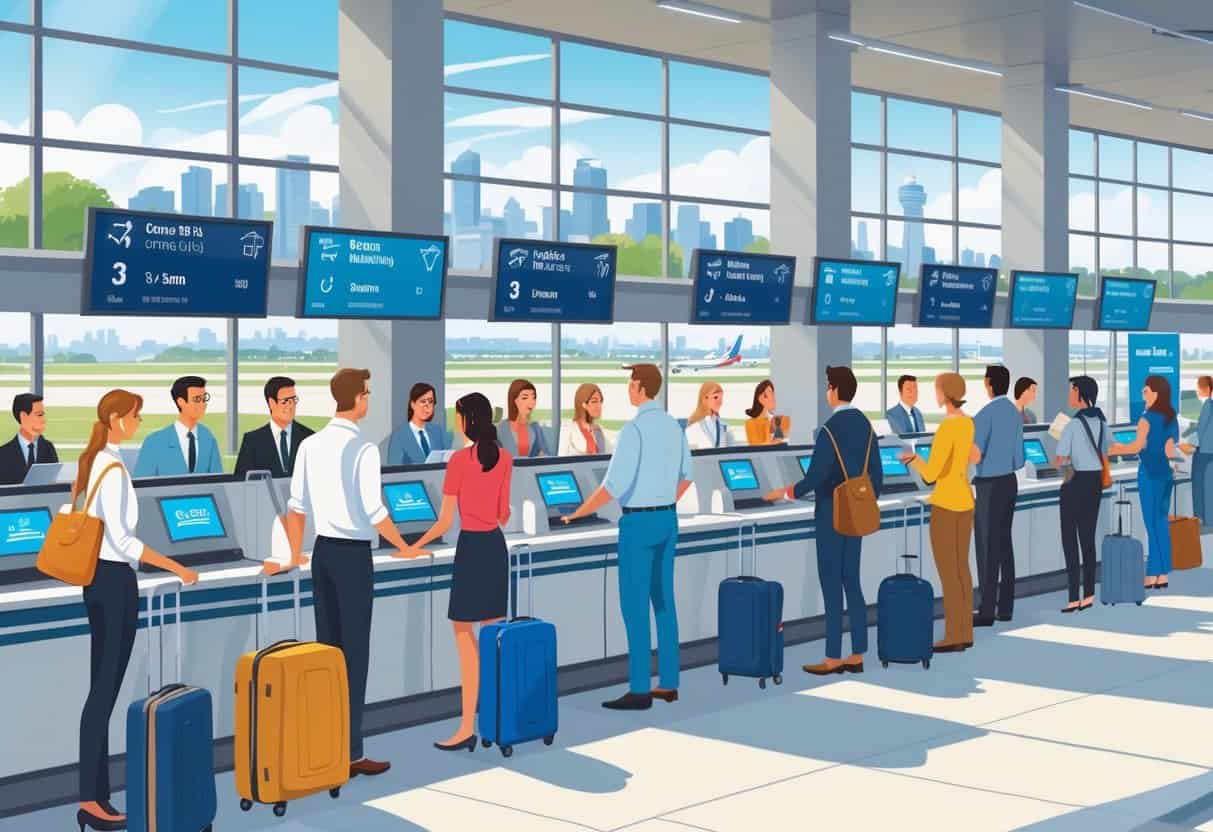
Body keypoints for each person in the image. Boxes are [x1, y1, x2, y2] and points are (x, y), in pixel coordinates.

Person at [74, 390, 197, 832]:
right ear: (115, 418)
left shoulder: (93, 463)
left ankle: (97, 794)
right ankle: (91, 798)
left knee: (99, 691)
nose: (139, 422)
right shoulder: (113, 469)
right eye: (134, 415)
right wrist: (175, 566)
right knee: (103, 693)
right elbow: (124, 541)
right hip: (114, 583)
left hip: (96, 581)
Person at [275, 368, 407, 778]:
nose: (368, 399)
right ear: (356, 399)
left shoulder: (310, 445)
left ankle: (326, 748)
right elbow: (375, 511)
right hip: (352, 559)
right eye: (366, 393)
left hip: (322, 554)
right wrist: (406, 547)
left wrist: (296, 553)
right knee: (354, 656)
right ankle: (350, 753)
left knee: (326, 653)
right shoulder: (364, 450)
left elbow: (296, 506)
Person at [560, 364, 691, 710]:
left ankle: (639, 689)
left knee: (634, 607)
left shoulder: (635, 430)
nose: (628, 390)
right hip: (667, 520)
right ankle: (669, 683)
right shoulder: (674, 427)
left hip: (638, 525)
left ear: (640, 387)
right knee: (664, 602)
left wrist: (577, 513)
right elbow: (687, 477)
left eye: (631, 384)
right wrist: (663, 500)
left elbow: (612, 487)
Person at [399, 393, 512, 752]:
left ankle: (467, 727)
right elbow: (503, 514)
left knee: (466, 641)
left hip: (472, 550)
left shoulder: (460, 462)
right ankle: (496, 721)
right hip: (495, 547)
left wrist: (412, 546)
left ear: (467, 421)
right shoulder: (504, 458)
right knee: (492, 638)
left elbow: (445, 520)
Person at [764, 366, 882, 675]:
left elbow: (815, 478)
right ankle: (857, 654)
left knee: (831, 584)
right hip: (856, 512)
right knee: (852, 582)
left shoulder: (829, 430)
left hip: (831, 512)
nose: (826, 392)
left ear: (835, 390)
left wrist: (786, 492)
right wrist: (862, 499)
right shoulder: (867, 427)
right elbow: (877, 477)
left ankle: (832, 657)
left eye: (828, 386)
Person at [901, 373, 978, 654]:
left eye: (936, 389)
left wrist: (913, 458)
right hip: (966, 501)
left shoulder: (946, 428)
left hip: (946, 504)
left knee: (948, 572)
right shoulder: (968, 423)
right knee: (962, 569)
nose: (934, 393)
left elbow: (933, 474)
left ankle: (952, 635)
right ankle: (965, 632)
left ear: (945, 393)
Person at [1109, 375, 1179, 590]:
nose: (1143, 394)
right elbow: (1169, 448)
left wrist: (1111, 448)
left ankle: (1151, 575)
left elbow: (1135, 447)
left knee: (1151, 525)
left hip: (1149, 475)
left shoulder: (1146, 419)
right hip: (1166, 474)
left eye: (1145, 391)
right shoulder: (1170, 417)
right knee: (1160, 524)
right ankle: (1162, 574)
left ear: (1155, 393)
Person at [971, 365, 1024, 627]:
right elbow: (1019, 458)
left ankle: (986, 609)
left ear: (989, 384)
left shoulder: (984, 414)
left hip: (989, 486)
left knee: (986, 547)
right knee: (1004, 543)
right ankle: (1006, 607)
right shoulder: (1015, 413)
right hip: (1009, 482)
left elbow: (976, 455)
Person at [1055, 375, 1107, 613]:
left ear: (1080, 393)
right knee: (1088, 539)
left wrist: (1066, 474)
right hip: (1094, 483)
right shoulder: (1101, 421)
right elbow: (1105, 452)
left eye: (1071, 390)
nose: (1069, 394)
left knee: (1069, 540)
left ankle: (1073, 597)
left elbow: (1060, 460)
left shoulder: (1072, 425)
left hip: (1075, 484)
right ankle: (1089, 594)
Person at [133, 376, 222, 477]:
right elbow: (142, 486)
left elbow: (218, 481)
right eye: (197, 399)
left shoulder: (208, 438)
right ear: (181, 402)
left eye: (204, 398)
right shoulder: (154, 442)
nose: (203, 404)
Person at [233, 376, 315, 478]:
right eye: (285, 401)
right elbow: (241, 483)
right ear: (271, 403)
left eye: (293, 400)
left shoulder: (310, 438)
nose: (291, 405)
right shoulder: (252, 442)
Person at [386, 382, 452, 466]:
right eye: (423, 401)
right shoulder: (399, 435)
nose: (427, 406)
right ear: (413, 404)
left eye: (430, 402)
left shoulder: (438, 432)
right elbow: (393, 470)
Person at [0, 392, 58, 485]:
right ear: (23, 416)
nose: (44, 420)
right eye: (39, 415)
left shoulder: (48, 448)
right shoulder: (3, 454)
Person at [1179, 375, 1213, 529]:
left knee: (1200, 490)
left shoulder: (1207, 405)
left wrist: (1187, 445)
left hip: (1203, 455)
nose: (1196, 390)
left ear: (1206, 389)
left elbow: (1201, 431)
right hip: (1208, 453)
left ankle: (1201, 521)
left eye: (1198, 387)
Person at [497, 379, 551, 458]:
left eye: (533, 397)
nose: (531, 402)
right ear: (514, 400)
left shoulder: (535, 428)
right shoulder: (501, 428)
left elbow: (548, 457)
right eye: (525, 398)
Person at [560, 383, 611, 456]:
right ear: (583, 404)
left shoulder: (599, 430)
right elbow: (561, 458)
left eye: (600, 401)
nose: (599, 406)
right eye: (594, 401)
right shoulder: (569, 429)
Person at [685, 381, 731, 450]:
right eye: (715, 397)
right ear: (705, 398)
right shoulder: (693, 428)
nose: (720, 402)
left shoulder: (723, 426)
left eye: (721, 398)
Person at [744, 380, 789, 445]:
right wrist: (778, 439)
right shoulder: (750, 423)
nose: (773, 398)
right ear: (760, 398)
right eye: (769, 394)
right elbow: (757, 447)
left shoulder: (769, 421)